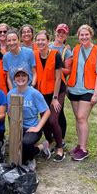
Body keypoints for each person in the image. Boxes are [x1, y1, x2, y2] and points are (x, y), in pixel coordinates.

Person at [67, 24, 97, 161]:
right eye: (81, 35)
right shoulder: (76, 49)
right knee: (78, 118)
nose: (84, 37)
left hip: (88, 90)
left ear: (91, 35)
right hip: (74, 89)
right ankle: (79, 144)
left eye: (86, 34)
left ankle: (84, 149)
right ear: (78, 36)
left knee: (82, 118)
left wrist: (95, 94)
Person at [7, 67, 50, 171]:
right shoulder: (10, 94)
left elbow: (47, 112)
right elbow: (9, 113)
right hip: (19, 127)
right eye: (18, 76)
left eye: (23, 75)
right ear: (14, 79)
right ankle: (38, 148)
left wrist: (38, 128)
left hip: (32, 127)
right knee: (15, 153)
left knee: (25, 145)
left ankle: (36, 152)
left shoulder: (34, 93)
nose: (20, 78)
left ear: (28, 78)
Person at [34, 31, 66, 162]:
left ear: (48, 41)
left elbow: (58, 78)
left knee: (53, 119)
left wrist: (55, 97)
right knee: (45, 121)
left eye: (43, 40)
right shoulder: (34, 55)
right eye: (38, 40)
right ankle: (50, 141)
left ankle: (59, 148)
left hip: (57, 91)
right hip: (42, 92)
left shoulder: (55, 55)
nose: (41, 42)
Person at [49, 23, 73, 150]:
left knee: (58, 111)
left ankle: (61, 138)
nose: (60, 34)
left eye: (63, 32)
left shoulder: (66, 51)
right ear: (55, 32)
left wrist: (56, 66)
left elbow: (68, 71)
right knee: (48, 111)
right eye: (59, 31)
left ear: (66, 35)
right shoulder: (47, 46)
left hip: (60, 84)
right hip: (47, 83)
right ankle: (51, 137)